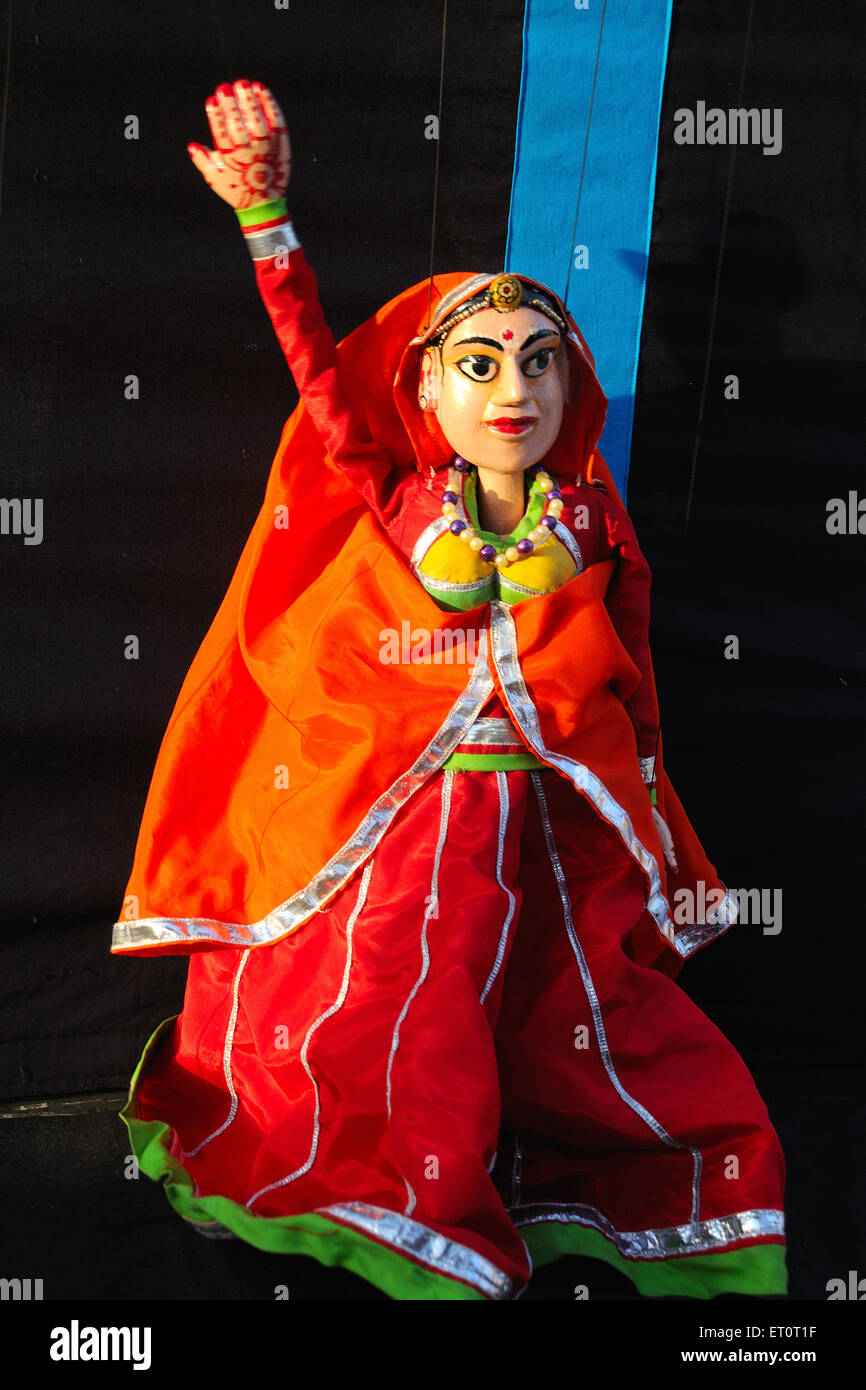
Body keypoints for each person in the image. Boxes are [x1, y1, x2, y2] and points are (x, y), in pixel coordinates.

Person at [112, 80, 787, 1301]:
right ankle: (355, 1191)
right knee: (377, 1019)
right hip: (392, 823)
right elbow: (319, 372)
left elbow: (614, 676)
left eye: (537, 362)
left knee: (534, 1035)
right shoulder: (395, 493)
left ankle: (504, 1181)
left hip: (526, 832)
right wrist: (267, 217)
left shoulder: (584, 517)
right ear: (423, 391)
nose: (511, 392)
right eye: (477, 366)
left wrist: (629, 803)